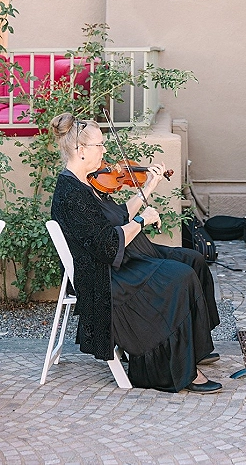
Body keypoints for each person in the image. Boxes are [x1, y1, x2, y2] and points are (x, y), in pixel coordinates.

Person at [50, 112, 222, 394]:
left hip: (120, 259)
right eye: (99, 145)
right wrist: (142, 221)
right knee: (179, 277)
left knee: (193, 259)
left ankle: (195, 348)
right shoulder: (71, 194)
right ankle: (177, 368)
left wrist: (149, 188)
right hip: (104, 277)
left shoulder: (87, 184)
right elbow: (107, 245)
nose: (104, 151)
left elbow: (117, 216)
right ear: (81, 151)